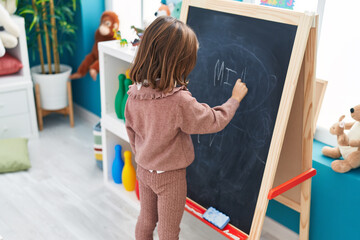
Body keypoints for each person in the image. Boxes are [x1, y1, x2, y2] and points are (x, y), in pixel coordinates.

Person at [125, 16, 248, 240]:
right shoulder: (179, 101)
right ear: (178, 62)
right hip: (170, 178)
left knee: (145, 220)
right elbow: (213, 120)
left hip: (144, 169)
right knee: (168, 231)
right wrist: (234, 100)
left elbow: (131, 131)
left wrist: (143, 156)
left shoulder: (133, 93)